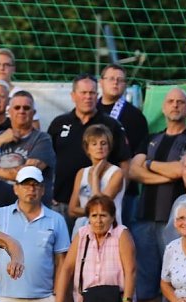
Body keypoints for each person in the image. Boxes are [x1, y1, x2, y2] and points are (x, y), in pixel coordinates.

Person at [129, 87, 186, 302]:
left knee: (174, 279)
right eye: (171, 101)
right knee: (145, 282)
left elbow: (182, 170)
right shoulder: (152, 138)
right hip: (144, 219)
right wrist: (168, 175)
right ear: (163, 107)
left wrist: (150, 166)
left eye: (180, 102)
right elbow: (133, 171)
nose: (175, 105)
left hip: (175, 222)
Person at [0, 166, 69, 302]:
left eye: (35, 184)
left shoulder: (57, 220)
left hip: (45, 300)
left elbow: (61, 263)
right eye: (25, 184)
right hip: (6, 299)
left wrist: (58, 300)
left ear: (43, 190)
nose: (31, 189)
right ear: (16, 188)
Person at [48, 73, 130, 217]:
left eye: (92, 93)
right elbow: (48, 159)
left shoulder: (110, 125)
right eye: (83, 93)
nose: (88, 97)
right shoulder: (59, 123)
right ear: (73, 95)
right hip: (61, 202)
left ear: (97, 95)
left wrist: (118, 194)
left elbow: (125, 163)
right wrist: (49, 192)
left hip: (100, 207)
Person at [48, 194, 138, 302]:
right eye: (94, 216)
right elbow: (67, 269)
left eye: (103, 215)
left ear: (112, 217)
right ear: (89, 218)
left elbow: (131, 271)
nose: (98, 221)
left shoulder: (122, 234)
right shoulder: (82, 234)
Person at [97, 64, 149, 226]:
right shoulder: (91, 111)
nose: (115, 83)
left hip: (124, 191)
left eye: (120, 80)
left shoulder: (135, 116)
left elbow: (139, 155)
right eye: (111, 79)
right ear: (101, 82)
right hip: (90, 185)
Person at [0, 91, 56, 200]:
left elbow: (27, 173)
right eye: (17, 107)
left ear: (33, 112)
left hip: (32, 207)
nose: (21, 111)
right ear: (9, 111)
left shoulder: (43, 139)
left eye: (26, 108)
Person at [69, 124, 125, 229]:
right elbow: (72, 210)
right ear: (87, 149)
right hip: (82, 230)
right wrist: (91, 211)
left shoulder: (117, 173)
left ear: (109, 147)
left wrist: (95, 176)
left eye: (103, 143)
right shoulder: (81, 173)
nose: (99, 147)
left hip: (109, 230)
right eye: (94, 144)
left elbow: (101, 207)